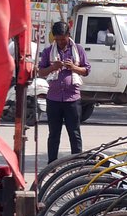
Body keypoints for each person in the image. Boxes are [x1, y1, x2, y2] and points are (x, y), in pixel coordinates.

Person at [38, 20, 90, 163]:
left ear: (68, 35)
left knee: (74, 133)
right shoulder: (48, 51)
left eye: (63, 39)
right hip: (53, 99)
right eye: (58, 39)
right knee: (54, 134)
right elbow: (41, 72)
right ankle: (52, 163)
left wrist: (73, 67)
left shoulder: (78, 50)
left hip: (72, 99)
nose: (61, 42)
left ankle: (77, 162)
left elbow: (86, 71)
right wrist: (53, 67)